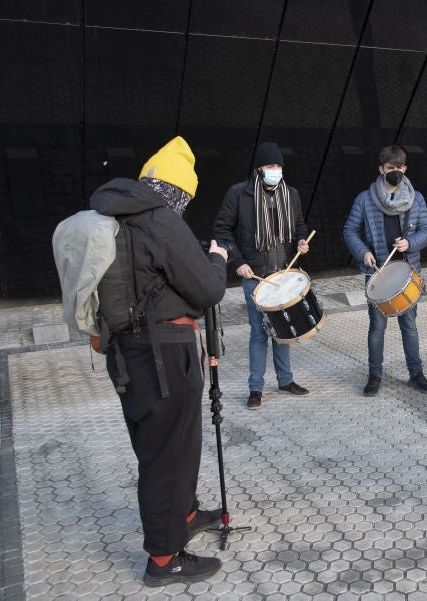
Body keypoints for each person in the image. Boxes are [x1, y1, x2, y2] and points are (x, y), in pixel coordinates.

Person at [91, 136, 229, 586]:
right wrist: (216, 258)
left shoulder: (113, 214)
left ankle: (184, 514)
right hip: (164, 355)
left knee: (163, 445)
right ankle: (165, 560)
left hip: (128, 355)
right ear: (178, 191)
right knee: (166, 454)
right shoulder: (160, 221)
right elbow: (207, 289)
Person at [214, 142, 310, 410]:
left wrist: (302, 240)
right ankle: (255, 388)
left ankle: (285, 380)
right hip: (254, 275)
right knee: (258, 334)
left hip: (284, 272)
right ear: (259, 168)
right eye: (270, 166)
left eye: (279, 166)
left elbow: (299, 225)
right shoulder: (239, 194)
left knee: (283, 330)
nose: (275, 170)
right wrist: (238, 262)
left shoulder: (291, 194)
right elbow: (222, 230)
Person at [343, 145, 427, 397]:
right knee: (377, 327)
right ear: (381, 169)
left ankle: (416, 374)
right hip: (378, 273)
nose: (395, 171)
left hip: (407, 274)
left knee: (409, 326)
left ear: (405, 169)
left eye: (399, 168)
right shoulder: (364, 199)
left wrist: (410, 243)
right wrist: (363, 252)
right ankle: (375, 375)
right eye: (390, 168)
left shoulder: (416, 198)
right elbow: (350, 230)